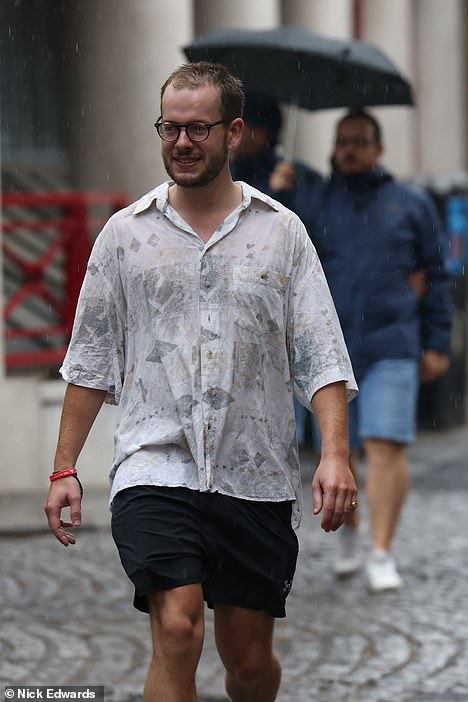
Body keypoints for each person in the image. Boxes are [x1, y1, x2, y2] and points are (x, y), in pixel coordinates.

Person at [44, 62, 358, 702]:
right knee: (179, 629)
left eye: (198, 129)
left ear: (234, 132)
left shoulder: (282, 233)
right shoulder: (126, 236)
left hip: (255, 470)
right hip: (154, 462)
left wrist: (335, 454)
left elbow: (321, 353)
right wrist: (64, 467)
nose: (181, 143)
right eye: (169, 128)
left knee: (246, 661)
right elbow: (91, 359)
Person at [301, 109, 452, 592]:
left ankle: (382, 551)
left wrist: (437, 341)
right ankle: (351, 534)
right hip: (329, 350)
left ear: (379, 148)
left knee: (385, 445)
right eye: (342, 141)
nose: (349, 149)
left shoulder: (410, 203)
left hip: (392, 342)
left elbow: (438, 273)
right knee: (336, 452)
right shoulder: (313, 202)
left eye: (360, 141)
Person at [230, 92, 323, 445]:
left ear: (262, 132)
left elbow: (301, 236)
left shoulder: (299, 177)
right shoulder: (228, 174)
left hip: (287, 303)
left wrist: (284, 193)